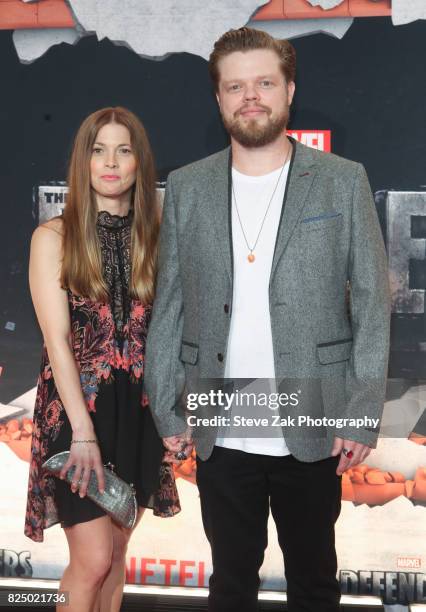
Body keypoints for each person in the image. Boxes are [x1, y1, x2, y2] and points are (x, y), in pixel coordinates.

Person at [145, 27, 391, 612]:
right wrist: (166, 404)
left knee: (313, 585)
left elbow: (374, 307)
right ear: (219, 99)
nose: (249, 96)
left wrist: (359, 417)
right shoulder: (186, 186)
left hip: (312, 413)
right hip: (220, 414)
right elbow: (170, 303)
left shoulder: (342, 179)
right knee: (231, 585)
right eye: (235, 86)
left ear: (289, 91)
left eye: (263, 83)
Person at [25, 107, 180, 612]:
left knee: (115, 556)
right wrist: (83, 434)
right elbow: (57, 341)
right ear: (82, 161)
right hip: (77, 414)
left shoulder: (155, 240)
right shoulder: (54, 237)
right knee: (91, 559)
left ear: (140, 162)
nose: (110, 162)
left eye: (123, 149)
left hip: (136, 413)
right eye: (98, 150)